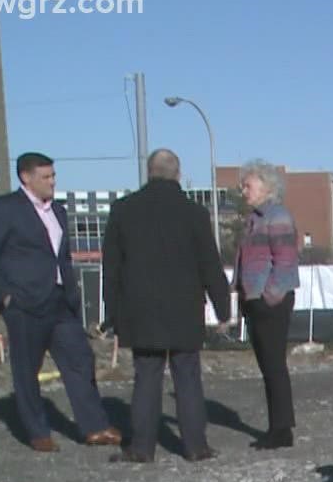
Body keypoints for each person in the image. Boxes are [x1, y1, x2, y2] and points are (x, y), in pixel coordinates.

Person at [0, 151, 120, 452]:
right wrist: (4, 295)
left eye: (53, 175)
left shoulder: (59, 211)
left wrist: (72, 293)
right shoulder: (5, 209)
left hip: (59, 301)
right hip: (24, 303)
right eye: (46, 177)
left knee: (80, 359)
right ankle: (37, 431)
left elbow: (61, 255)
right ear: (26, 178)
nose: (52, 182)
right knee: (26, 368)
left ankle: (94, 427)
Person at [102, 149, 234, 463]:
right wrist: (223, 310)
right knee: (187, 376)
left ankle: (141, 447)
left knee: (146, 376)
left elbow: (112, 269)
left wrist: (113, 317)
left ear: (149, 172)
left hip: (141, 311)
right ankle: (195, 446)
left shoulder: (123, 210)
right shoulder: (194, 214)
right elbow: (210, 266)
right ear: (178, 173)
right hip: (184, 310)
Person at [234, 161, 301, 450]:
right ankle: (278, 426)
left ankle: (282, 429)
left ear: (266, 186)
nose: (243, 190)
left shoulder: (278, 217)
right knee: (268, 366)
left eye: (248, 184)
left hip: (269, 301)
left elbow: (286, 263)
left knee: (274, 365)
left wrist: (268, 296)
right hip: (254, 300)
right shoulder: (254, 220)